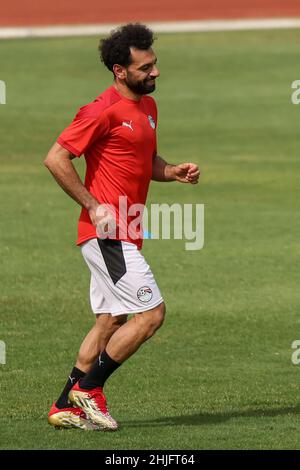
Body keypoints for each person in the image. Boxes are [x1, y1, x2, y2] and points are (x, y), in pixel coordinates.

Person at [44, 23, 200, 431]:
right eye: (145, 67)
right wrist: (93, 207)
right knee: (151, 314)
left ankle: (65, 405)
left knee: (110, 319)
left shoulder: (147, 107)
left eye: (155, 64)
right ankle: (90, 390)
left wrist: (173, 171)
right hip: (106, 233)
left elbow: (142, 162)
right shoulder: (100, 109)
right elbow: (56, 158)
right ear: (119, 70)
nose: (155, 73)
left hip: (128, 230)